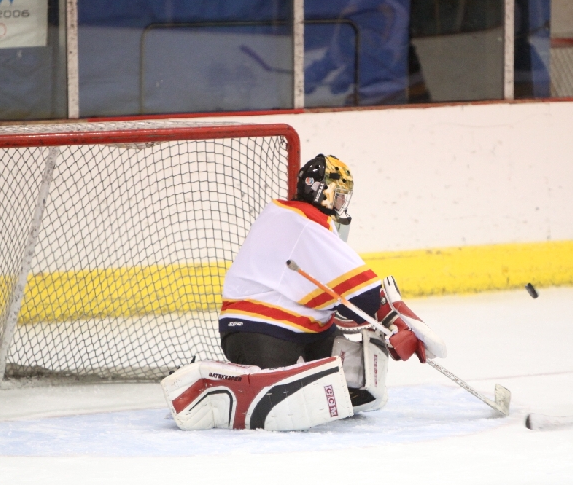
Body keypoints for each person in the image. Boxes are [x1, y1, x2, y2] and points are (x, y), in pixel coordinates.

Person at [161, 154, 446, 431]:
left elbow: (343, 303)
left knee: (356, 376)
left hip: (291, 332)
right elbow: (365, 296)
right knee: (279, 398)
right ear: (320, 190)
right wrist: (397, 323)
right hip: (262, 334)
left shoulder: (290, 216)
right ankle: (212, 384)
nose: (342, 202)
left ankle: (258, 377)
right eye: (338, 195)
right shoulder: (303, 224)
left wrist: (388, 325)